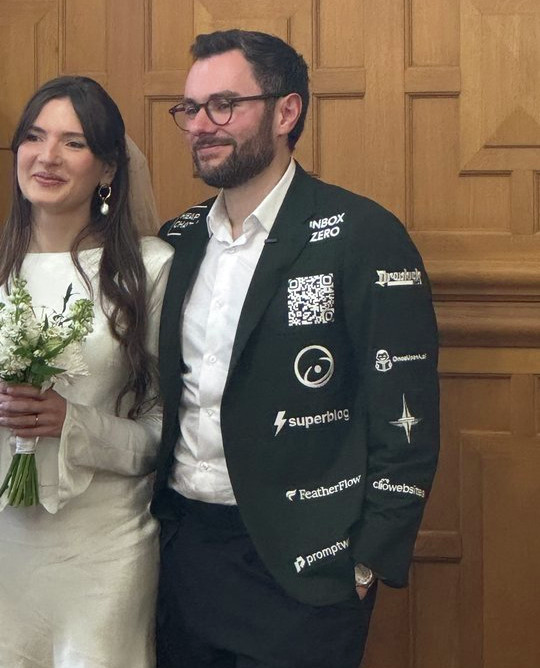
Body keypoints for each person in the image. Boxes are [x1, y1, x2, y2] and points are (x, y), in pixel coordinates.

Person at [151, 29, 440, 668]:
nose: (201, 125)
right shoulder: (176, 241)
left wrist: (366, 560)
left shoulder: (362, 234)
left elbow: (406, 416)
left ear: (286, 112)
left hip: (307, 569)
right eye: (191, 108)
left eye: (224, 104)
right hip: (184, 555)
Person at [0, 75, 173, 667]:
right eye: (34, 137)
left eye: (73, 143)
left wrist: (73, 424)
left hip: (102, 551)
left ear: (108, 168)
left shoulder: (148, 269)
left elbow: (163, 436)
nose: (47, 156)